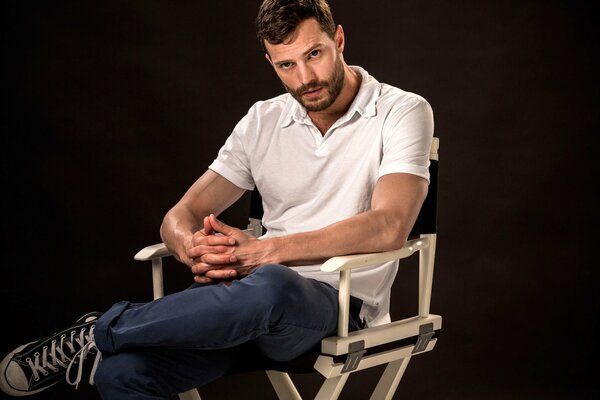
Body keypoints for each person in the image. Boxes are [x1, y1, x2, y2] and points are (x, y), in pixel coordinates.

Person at [0, 0, 434, 398]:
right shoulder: (262, 120)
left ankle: (99, 331)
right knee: (122, 375)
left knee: (271, 284)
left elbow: (388, 225)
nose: (304, 79)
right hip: (241, 305)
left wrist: (263, 253)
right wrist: (194, 251)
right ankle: (105, 336)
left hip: (334, 307)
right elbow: (181, 214)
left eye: (314, 54)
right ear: (270, 62)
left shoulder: (401, 110)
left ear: (338, 39)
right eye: (286, 65)